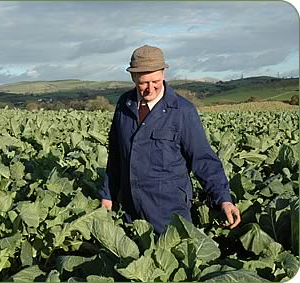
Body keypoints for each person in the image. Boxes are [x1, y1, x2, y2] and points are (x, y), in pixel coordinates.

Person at [98, 45, 241, 235]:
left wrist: (224, 199)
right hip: (130, 209)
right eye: (143, 83)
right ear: (133, 78)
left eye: (155, 81)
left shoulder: (183, 111)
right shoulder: (124, 105)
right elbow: (116, 155)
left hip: (169, 212)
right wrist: (108, 194)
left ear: (164, 73)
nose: (150, 89)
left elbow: (203, 159)